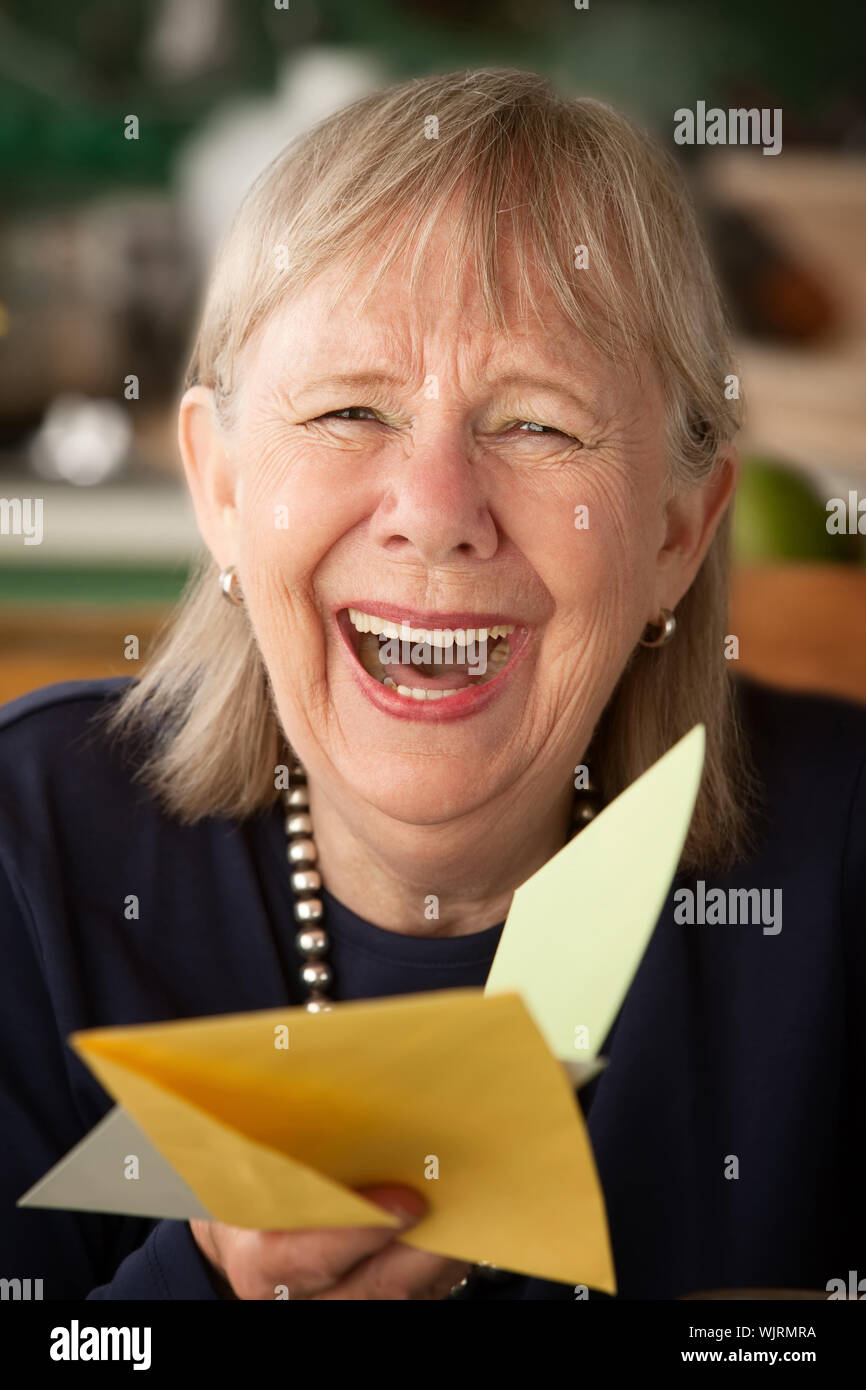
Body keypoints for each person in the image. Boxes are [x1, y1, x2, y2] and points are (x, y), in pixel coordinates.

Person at [1, 69, 864, 1301]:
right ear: (223, 488)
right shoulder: (25, 854)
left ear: (679, 527)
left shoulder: (839, 854)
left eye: (537, 426)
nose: (433, 513)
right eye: (350, 408)